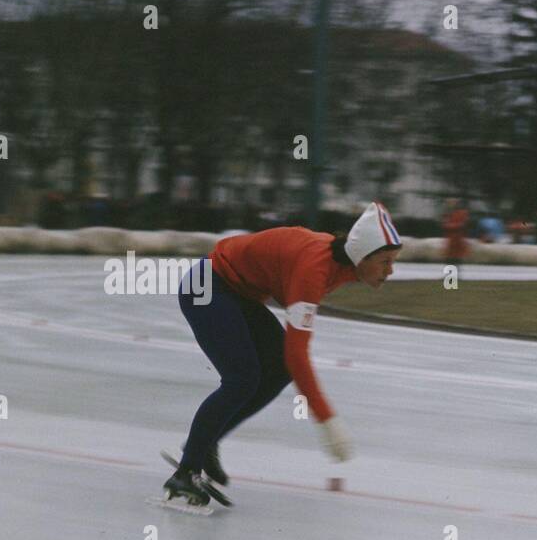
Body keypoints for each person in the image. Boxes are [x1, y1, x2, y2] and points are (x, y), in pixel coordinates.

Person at [162, 202, 401, 510]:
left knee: (275, 370)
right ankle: (186, 472)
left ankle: (205, 444)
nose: (390, 271)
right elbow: (297, 354)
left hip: (236, 292)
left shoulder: (343, 264)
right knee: (242, 380)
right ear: (362, 255)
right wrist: (327, 419)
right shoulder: (315, 269)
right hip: (207, 287)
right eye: (385, 261)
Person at [442, 197, 470, 279]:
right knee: (448, 258)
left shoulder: (463, 213)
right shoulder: (448, 214)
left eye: (452, 203)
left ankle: (456, 275)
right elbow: (444, 224)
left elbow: (462, 224)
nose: (450, 205)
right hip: (450, 239)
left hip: (458, 239)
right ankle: (448, 275)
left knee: (457, 258)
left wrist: (450, 226)